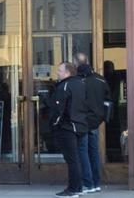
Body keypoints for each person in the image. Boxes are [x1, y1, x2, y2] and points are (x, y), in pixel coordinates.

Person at [50, 62, 89, 197]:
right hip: (81, 126)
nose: (57, 73)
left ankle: (73, 189)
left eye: (60, 70)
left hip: (67, 127)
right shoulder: (81, 84)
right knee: (77, 158)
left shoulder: (65, 85)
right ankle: (78, 187)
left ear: (67, 72)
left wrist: (54, 123)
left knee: (72, 159)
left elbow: (58, 108)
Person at [75, 53, 110, 194]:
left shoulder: (77, 81)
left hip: (82, 121)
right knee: (93, 152)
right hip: (95, 122)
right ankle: (96, 183)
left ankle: (88, 183)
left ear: (76, 64)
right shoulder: (100, 80)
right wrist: (102, 118)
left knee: (82, 151)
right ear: (88, 62)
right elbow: (108, 101)